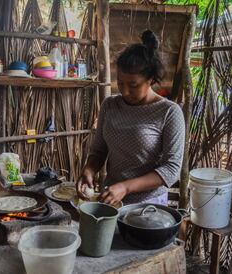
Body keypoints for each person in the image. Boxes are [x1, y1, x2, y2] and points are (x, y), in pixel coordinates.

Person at [76, 30, 185, 206]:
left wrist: (126, 187)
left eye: (133, 85)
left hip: (148, 205)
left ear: (150, 79)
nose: (124, 91)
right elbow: (99, 150)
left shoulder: (169, 112)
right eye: (120, 83)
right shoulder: (110, 105)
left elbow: (171, 169)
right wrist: (89, 170)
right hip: (110, 200)